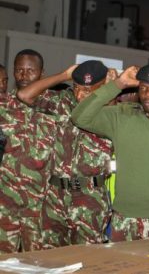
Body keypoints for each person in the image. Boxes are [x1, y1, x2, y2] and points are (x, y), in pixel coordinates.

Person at [71, 63, 149, 242]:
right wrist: (119, 84)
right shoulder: (123, 116)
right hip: (124, 219)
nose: (148, 94)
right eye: (144, 88)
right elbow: (80, 117)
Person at [17, 60, 115, 247]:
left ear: (102, 88)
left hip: (90, 195)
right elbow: (24, 95)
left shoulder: (112, 110)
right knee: (50, 256)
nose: (79, 94)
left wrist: (113, 87)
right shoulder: (62, 101)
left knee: (89, 257)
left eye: (87, 91)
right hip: (55, 193)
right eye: (76, 87)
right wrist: (63, 75)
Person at [0, 50, 59, 253]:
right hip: (5, 202)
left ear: (42, 73)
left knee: (38, 261)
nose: (24, 76)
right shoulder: (3, 104)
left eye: (30, 71)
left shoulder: (56, 106)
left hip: (42, 205)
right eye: (19, 70)